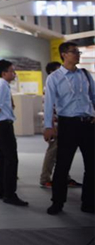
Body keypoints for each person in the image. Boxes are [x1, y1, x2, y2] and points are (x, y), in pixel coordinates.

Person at [44, 42, 94, 215]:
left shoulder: (85, 75)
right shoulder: (54, 78)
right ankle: (57, 202)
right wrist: (48, 126)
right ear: (64, 54)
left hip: (88, 124)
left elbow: (93, 97)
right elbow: (49, 103)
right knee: (63, 165)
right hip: (68, 125)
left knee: (92, 165)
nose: (78, 55)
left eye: (78, 52)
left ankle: (89, 202)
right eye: (74, 52)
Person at [0, 59, 28, 207]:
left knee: (2, 157)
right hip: (3, 125)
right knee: (11, 159)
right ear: (4, 73)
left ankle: (0, 190)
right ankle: (9, 194)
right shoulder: (2, 86)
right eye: (12, 71)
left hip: (1, 124)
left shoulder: (1, 86)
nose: (14, 73)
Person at [39, 61, 80, 189]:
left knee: (63, 152)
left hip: (64, 123)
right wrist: (50, 126)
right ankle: (45, 178)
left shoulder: (62, 84)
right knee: (52, 151)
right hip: (55, 124)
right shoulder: (50, 85)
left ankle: (65, 177)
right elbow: (48, 108)